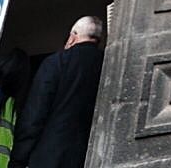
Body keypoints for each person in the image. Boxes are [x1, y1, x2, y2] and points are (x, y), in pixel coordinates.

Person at [9, 16, 104, 168]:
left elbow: (36, 112)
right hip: (93, 156)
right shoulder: (107, 64)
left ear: (73, 37)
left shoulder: (57, 62)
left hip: (50, 156)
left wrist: (18, 158)